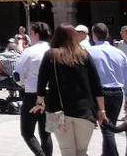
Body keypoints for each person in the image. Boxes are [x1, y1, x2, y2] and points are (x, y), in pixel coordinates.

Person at [32, 24, 108, 156]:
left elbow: (41, 82)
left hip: (58, 111)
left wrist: (40, 102)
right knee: (82, 152)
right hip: (85, 111)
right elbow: (96, 85)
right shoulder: (84, 55)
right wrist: (101, 110)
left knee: (67, 152)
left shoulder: (51, 55)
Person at [88, 23, 127, 156]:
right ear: (107, 34)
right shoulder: (119, 52)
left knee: (106, 128)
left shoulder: (90, 52)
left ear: (94, 35)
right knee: (108, 125)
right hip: (117, 93)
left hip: (100, 94)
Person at [16, 21, 55, 156]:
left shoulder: (30, 51)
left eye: (31, 33)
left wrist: (23, 84)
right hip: (51, 95)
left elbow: (18, 73)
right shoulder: (53, 50)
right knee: (46, 133)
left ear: (36, 34)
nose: (30, 36)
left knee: (27, 132)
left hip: (32, 94)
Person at [0, 39, 21, 112]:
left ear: (7, 48)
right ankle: (12, 97)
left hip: (8, 82)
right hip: (20, 83)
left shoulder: (1, 57)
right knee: (12, 78)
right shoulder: (21, 57)